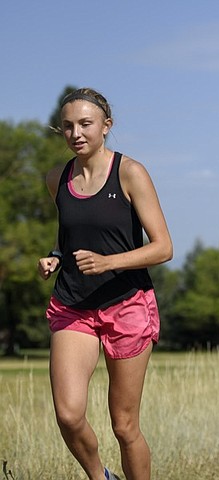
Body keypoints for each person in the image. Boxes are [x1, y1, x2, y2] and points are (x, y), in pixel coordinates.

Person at [38, 87, 173, 480]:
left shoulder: (130, 172)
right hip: (73, 304)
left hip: (127, 303)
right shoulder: (56, 179)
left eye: (85, 123)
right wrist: (56, 257)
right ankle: (101, 477)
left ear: (106, 126)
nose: (76, 133)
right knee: (68, 413)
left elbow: (163, 247)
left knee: (124, 426)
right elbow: (71, 237)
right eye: (67, 126)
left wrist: (109, 262)